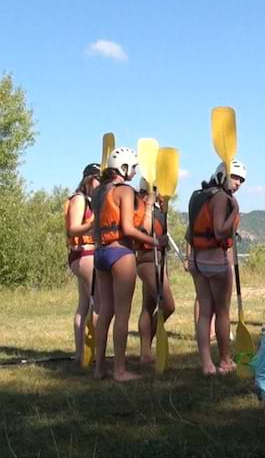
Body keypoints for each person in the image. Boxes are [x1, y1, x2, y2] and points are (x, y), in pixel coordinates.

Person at [92, 147, 166, 381]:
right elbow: (128, 228)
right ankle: (120, 370)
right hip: (120, 253)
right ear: (123, 168)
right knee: (122, 314)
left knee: (105, 313)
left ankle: (99, 368)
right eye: (133, 167)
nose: (135, 171)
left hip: (100, 253)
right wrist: (154, 241)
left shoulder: (99, 191)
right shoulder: (124, 190)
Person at [186, 159, 245, 376]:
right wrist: (235, 210)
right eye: (235, 177)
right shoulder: (221, 197)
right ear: (223, 175)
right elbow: (220, 231)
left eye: (241, 180)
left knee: (204, 312)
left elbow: (188, 234)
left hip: (196, 260)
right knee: (221, 312)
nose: (238, 183)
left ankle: (206, 365)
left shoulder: (197, 196)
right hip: (215, 261)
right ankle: (225, 361)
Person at [136, 178, 176, 363]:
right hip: (147, 261)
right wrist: (151, 204)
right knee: (168, 305)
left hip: (158, 261)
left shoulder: (158, 208)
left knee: (148, 307)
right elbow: (145, 229)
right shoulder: (142, 207)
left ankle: (145, 351)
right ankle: (146, 347)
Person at [65, 163, 101, 362]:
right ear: (88, 179)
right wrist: (93, 223)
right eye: (98, 179)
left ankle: (81, 353)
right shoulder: (80, 199)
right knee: (98, 304)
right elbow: (73, 229)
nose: (100, 183)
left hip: (86, 254)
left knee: (85, 304)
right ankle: (90, 352)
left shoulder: (91, 200)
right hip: (84, 254)